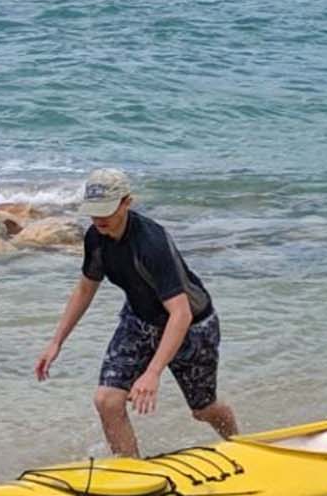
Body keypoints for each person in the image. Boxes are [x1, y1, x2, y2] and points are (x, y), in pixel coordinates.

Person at [33, 168, 235, 457]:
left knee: (203, 410)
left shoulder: (151, 242)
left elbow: (181, 314)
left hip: (192, 327)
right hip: (139, 320)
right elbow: (85, 289)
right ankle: (131, 471)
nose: (99, 218)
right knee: (107, 400)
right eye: (94, 211)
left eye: (107, 210)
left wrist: (152, 373)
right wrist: (56, 342)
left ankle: (239, 444)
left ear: (127, 202)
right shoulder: (96, 237)